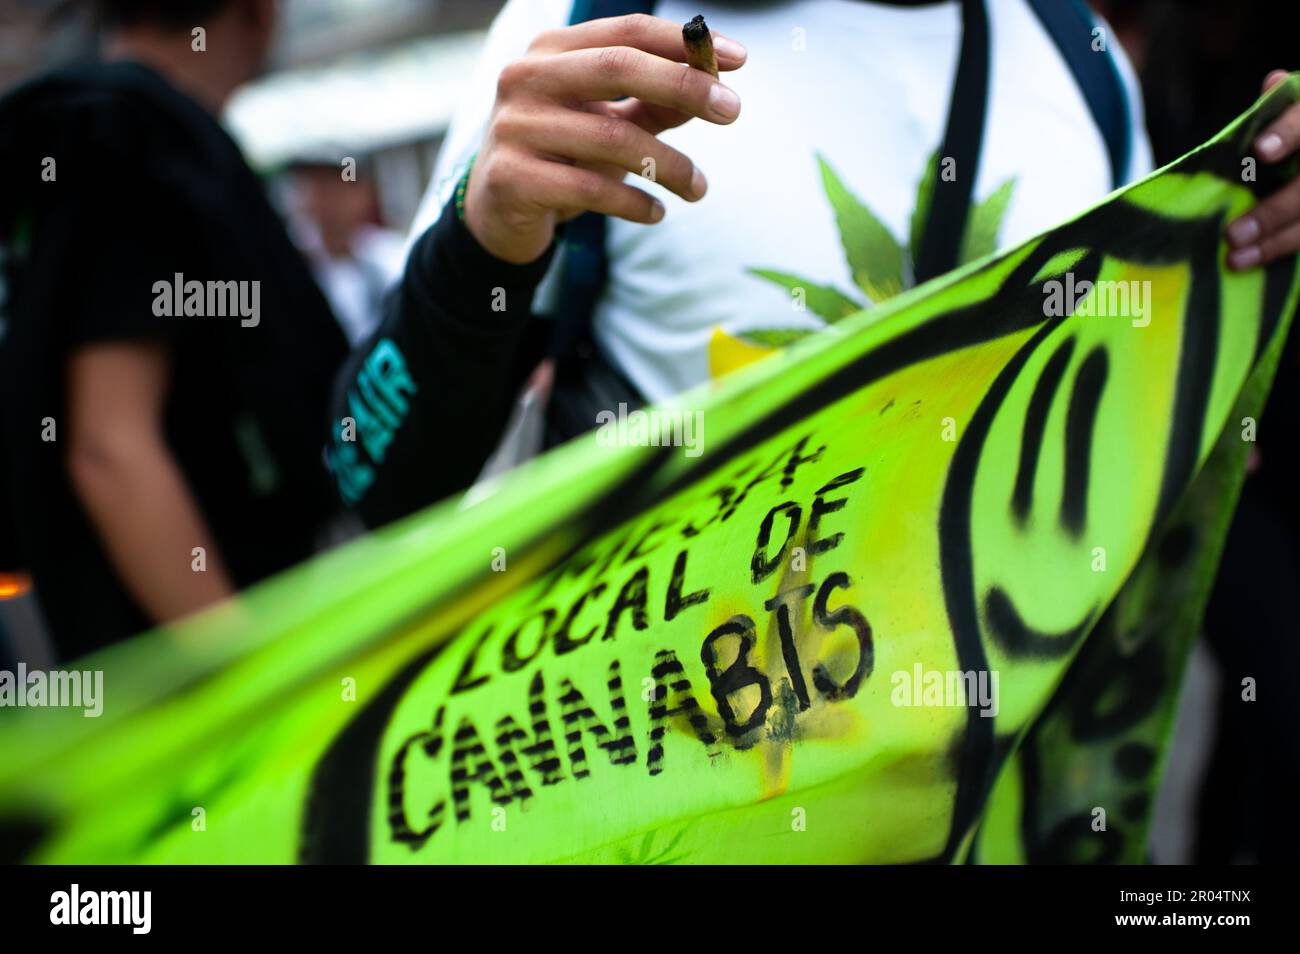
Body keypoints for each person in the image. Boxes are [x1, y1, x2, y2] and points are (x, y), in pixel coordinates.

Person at [327, 1, 1300, 533]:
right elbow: (372, 475)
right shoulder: (576, 31)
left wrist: (1255, 271)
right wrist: (480, 242)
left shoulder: (1078, 57)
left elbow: (1169, 460)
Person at [0, 0, 348, 658]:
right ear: (259, 12)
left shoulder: (108, 130)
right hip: (201, 678)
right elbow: (109, 445)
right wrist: (250, 680)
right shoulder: (128, 137)